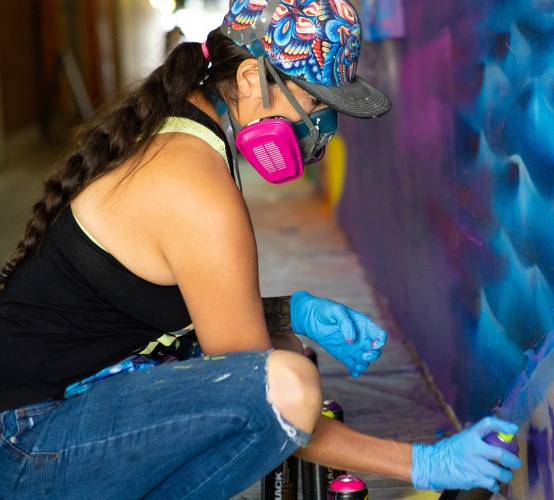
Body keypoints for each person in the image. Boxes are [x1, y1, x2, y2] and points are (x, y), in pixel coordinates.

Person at [0, 0, 522, 498]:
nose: (319, 130)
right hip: (25, 448)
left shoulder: (187, 129)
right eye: (315, 103)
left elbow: (177, 306)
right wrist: (424, 461)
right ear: (252, 78)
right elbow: (264, 399)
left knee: (287, 350)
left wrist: (290, 312)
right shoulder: (197, 188)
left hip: (51, 410)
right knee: (290, 384)